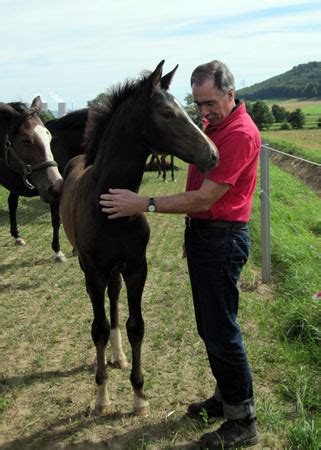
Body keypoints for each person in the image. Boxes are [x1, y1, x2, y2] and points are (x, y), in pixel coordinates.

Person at [99, 60, 261, 449]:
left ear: (230, 93)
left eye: (209, 103)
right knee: (210, 327)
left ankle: (243, 421)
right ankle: (225, 398)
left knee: (222, 331)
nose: (203, 112)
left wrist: (144, 203)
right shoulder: (214, 128)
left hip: (223, 239)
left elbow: (206, 196)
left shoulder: (238, 134)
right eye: (198, 104)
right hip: (207, 236)